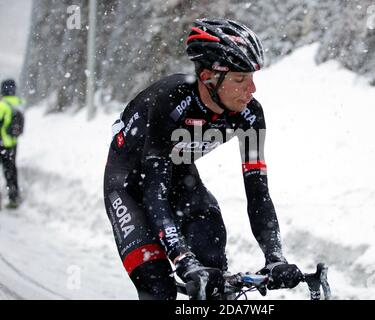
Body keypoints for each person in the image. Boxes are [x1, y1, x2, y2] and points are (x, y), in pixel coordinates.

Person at [103, 18, 302, 300]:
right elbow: (153, 194)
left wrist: (275, 257)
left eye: (252, 78)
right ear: (208, 77)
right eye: (240, 79)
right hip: (130, 185)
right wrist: (183, 259)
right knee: (158, 286)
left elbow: (258, 193)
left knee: (214, 276)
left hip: (181, 179)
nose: (252, 90)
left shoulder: (250, 115)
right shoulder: (169, 102)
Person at [0, 79, 24, 209]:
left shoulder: (2, 105)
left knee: (5, 171)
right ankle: (14, 197)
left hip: (1, 143)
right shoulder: (19, 103)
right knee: (11, 170)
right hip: (13, 143)